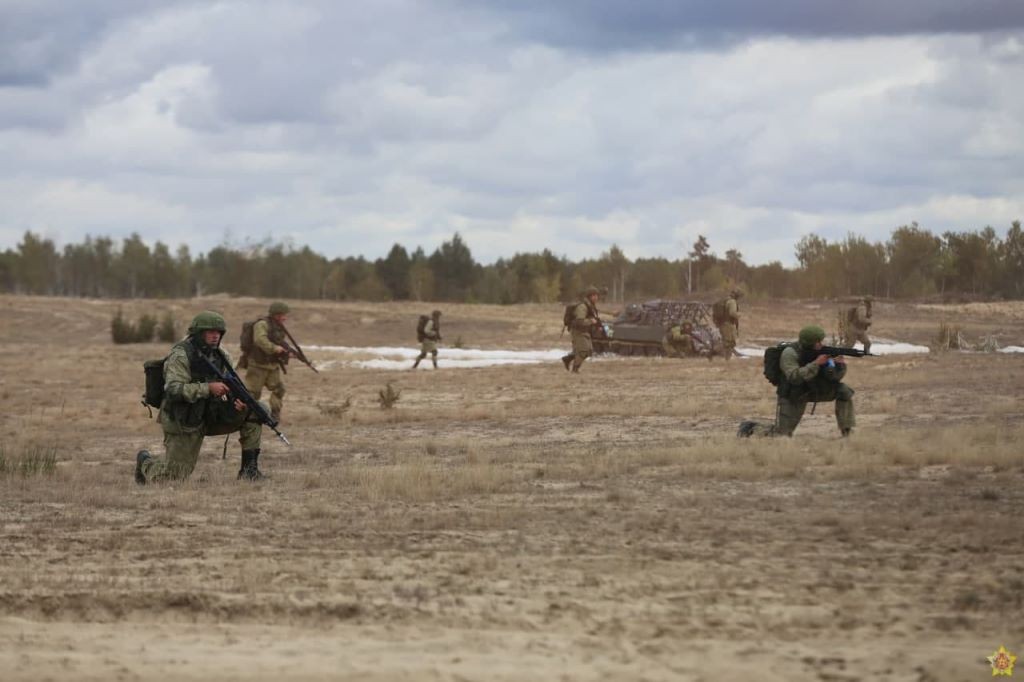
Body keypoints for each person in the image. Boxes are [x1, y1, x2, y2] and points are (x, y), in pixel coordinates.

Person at [134, 311, 266, 484]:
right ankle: (146, 462)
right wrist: (207, 388)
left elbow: (228, 387)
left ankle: (250, 471)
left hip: (210, 414)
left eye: (218, 332)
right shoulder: (181, 355)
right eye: (210, 332)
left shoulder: (222, 356)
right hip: (183, 419)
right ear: (198, 333)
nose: (215, 336)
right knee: (173, 477)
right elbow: (174, 389)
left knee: (257, 411)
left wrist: (237, 403)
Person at [738, 325, 855, 438]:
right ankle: (751, 428)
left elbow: (834, 378)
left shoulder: (820, 352)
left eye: (821, 341)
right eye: (817, 342)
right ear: (808, 342)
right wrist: (816, 363)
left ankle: (847, 431)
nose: (821, 344)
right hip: (794, 394)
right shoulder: (790, 353)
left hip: (814, 389)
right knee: (781, 435)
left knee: (844, 391)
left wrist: (839, 365)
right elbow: (794, 377)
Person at [243, 301, 291, 422]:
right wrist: (274, 349)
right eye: (283, 315)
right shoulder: (262, 324)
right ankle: (246, 416)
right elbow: (259, 340)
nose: (285, 318)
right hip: (258, 365)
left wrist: (287, 353)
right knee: (253, 393)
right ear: (277, 315)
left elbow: (279, 342)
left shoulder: (278, 327)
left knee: (279, 389)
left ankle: (274, 414)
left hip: (272, 365)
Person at [561, 286, 602, 373]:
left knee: (589, 350)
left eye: (596, 295)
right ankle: (575, 369)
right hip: (577, 331)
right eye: (593, 296)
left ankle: (568, 359)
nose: (596, 297)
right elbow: (579, 321)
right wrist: (591, 321)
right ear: (589, 296)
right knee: (584, 350)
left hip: (584, 330)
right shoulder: (583, 306)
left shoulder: (591, 306)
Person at [717, 289, 742, 360]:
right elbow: (732, 313)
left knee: (727, 342)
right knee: (729, 343)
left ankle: (727, 358)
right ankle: (727, 359)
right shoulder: (732, 302)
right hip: (728, 325)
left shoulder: (727, 301)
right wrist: (739, 315)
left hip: (724, 324)